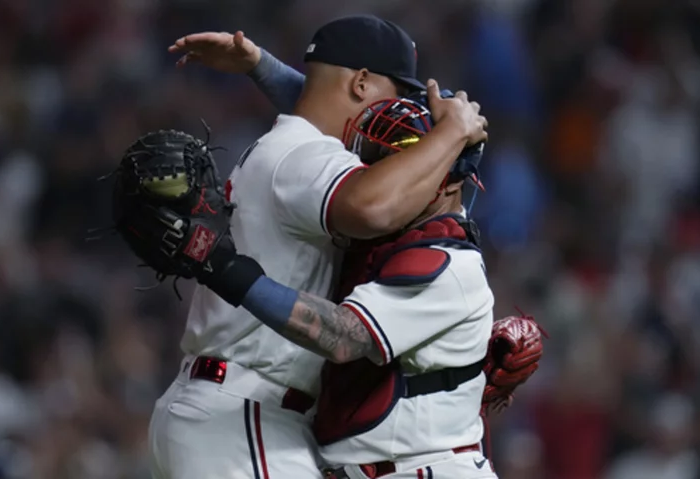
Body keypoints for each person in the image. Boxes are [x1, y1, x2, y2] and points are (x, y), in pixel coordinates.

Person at [147, 15, 488, 479]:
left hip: (234, 411)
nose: (401, 119)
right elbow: (373, 207)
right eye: (398, 95)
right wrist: (454, 133)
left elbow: (326, 109)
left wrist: (260, 65)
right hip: (244, 415)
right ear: (363, 82)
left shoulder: (295, 143)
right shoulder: (304, 154)